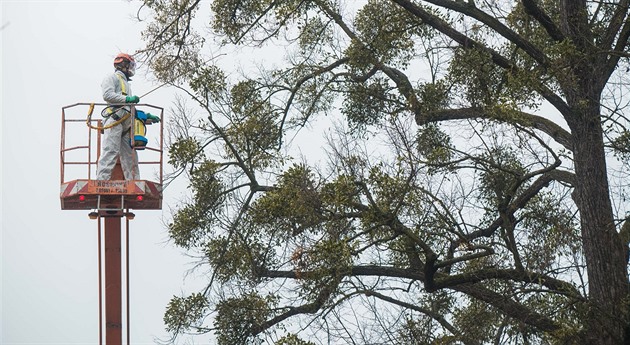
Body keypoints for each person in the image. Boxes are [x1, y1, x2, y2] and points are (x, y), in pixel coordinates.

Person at [95, 53, 159, 180]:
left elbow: (128, 107)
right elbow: (107, 95)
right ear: (123, 64)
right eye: (130, 65)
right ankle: (101, 181)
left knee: (130, 157)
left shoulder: (126, 84)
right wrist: (127, 99)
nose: (131, 68)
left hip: (126, 124)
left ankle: (134, 183)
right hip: (114, 120)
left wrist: (145, 116)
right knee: (110, 151)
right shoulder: (111, 77)